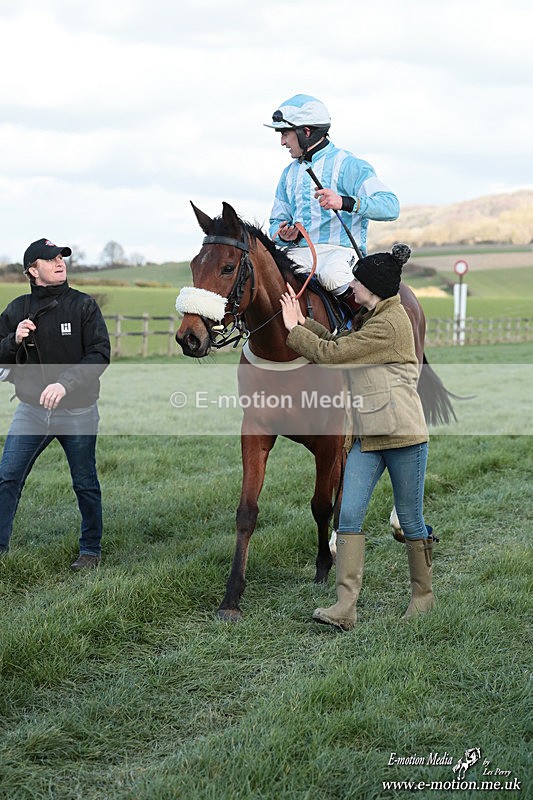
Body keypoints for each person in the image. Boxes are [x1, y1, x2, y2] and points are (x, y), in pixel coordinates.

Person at [279, 243, 435, 630]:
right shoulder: (371, 315)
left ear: (374, 288)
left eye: (357, 281)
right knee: (348, 517)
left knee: (412, 522)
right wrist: (303, 323)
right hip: (366, 435)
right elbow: (336, 340)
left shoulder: (390, 324)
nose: (351, 285)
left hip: (402, 437)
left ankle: (423, 598)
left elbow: (333, 356)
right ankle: (344, 608)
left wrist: (291, 331)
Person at [0, 238, 110, 569]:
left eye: (61, 256)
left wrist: (65, 384)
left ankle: (90, 549)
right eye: (50, 259)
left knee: (85, 482)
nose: (60, 261)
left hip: (77, 411)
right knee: (7, 477)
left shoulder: (84, 305)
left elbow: (100, 353)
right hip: (31, 411)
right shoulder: (17, 309)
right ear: (32, 270)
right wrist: (13, 339)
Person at [266, 93, 400, 314]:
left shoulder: (349, 165)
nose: (282, 142)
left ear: (305, 132)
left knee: (332, 275)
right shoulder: (288, 174)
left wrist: (344, 202)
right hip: (298, 253)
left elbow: (390, 206)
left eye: (285, 134)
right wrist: (283, 233)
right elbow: (275, 221)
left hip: (339, 253)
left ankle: (364, 332)